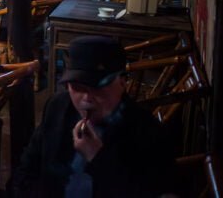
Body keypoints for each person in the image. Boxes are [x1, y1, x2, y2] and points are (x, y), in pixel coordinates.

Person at [12, 36, 176, 197]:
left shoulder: (146, 131)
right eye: (77, 87)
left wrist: (97, 158)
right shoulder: (58, 107)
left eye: (97, 87)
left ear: (122, 82)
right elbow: (27, 168)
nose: (87, 98)